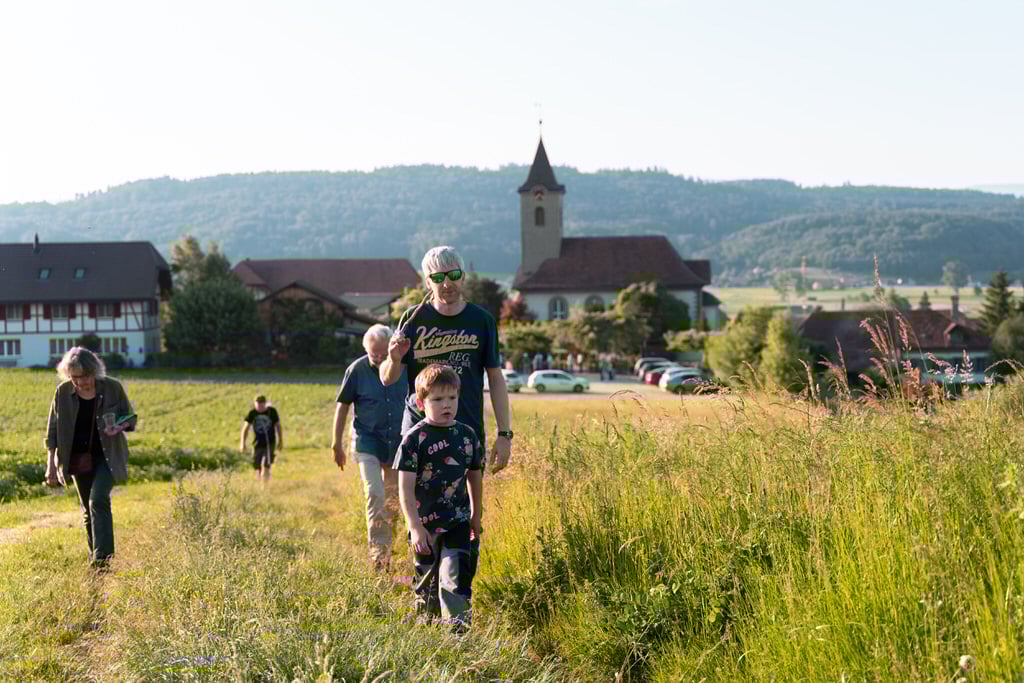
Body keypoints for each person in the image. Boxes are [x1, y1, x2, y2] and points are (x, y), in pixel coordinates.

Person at [381, 245, 513, 473]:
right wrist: (393, 359)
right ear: (427, 282)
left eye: (453, 275)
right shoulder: (413, 318)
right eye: (438, 277)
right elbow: (387, 379)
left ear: (463, 277)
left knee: (467, 506)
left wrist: (504, 434)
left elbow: (495, 377)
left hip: (466, 429)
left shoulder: (482, 320)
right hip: (418, 430)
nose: (446, 283)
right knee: (416, 505)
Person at [395, 364, 483, 628]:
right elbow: (405, 489)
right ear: (422, 403)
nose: (447, 405)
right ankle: (426, 626)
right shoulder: (414, 440)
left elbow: (475, 476)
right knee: (426, 585)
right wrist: (415, 527)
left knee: (454, 576)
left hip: (457, 520)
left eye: (452, 398)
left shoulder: (467, 436)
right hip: (424, 524)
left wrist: (476, 515)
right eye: (437, 399)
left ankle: (457, 633)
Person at [44, 347, 137, 569]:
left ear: (94, 371)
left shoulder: (112, 387)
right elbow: (53, 431)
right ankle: (95, 556)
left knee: (98, 500)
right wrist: (50, 465)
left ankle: (103, 559)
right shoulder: (62, 392)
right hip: (76, 457)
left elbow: (130, 416)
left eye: (85, 376)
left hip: (108, 456)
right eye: (75, 377)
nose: (81, 383)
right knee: (87, 509)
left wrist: (120, 426)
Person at [332, 324, 408, 571]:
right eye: (373, 353)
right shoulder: (357, 370)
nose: (378, 358)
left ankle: (389, 546)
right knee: (375, 493)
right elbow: (343, 406)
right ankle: (379, 557)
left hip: (397, 442)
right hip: (368, 441)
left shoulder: (404, 368)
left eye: (383, 353)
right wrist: (337, 443)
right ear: (367, 350)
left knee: (394, 499)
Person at [240, 394, 282, 483]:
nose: (259, 407)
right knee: (257, 465)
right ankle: (259, 483)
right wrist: (242, 443)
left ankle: (265, 486)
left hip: (269, 442)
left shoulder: (272, 412)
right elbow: (245, 429)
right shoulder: (252, 413)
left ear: (265, 404)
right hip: (257, 443)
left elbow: (278, 426)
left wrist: (280, 441)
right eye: (257, 404)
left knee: (266, 464)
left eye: (261, 404)